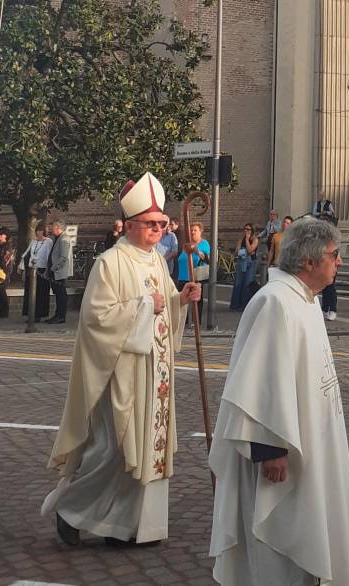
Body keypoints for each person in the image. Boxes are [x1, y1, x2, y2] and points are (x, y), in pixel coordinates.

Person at [43, 172, 201, 547]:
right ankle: (70, 509)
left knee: (148, 452)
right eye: (151, 224)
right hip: (123, 374)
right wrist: (145, 306)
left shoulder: (157, 262)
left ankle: (126, 526)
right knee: (116, 452)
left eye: (162, 224)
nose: (159, 230)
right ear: (130, 226)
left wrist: (181, 299)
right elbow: (95, 318)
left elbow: (163, 310)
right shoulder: (110, 263)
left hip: (155, 374)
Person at [209, 217, 349, 586]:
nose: (339, 262)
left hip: (311, 440)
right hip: (277, 451)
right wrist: (270, 448)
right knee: (278, 546)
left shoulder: (305, 300)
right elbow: (261, 380)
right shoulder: (275, 303)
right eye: (333, 255)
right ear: (308, 262)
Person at [176, 222, 211, 323]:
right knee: (182, 300)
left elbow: (206, 258)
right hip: (182, 276)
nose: (192, 232)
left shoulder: (204, 243)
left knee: (196, 300)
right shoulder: (186, 244)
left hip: (195, 277)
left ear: (200, 231)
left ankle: (196, 322)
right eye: (191, 230)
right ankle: (184, 322)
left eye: (195, 230)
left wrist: (196, 251)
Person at [21, 222, 53, 319]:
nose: (39, 233)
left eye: (41, 231)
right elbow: (27, 253)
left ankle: (39, 314)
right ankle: (30, 313)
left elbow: (48, 256)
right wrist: (22, 267)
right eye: (37, 231)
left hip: (41, 269)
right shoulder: (33, 241)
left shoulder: (48, 242)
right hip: (32, 269)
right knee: (30, 292)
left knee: (40, 293)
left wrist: (47, 270)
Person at [46, 220, 74, 324]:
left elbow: (63, 257)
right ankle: (57, 315)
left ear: (58, 228)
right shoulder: (59, 238)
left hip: (59, 272)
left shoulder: (64, 239)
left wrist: (54, 268)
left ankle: (60, 316)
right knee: (58, 293)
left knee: (61, 294)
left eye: (53, 227)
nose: (51, 229)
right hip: (56, 271)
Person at [229, 223, 259, 311]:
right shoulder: (240, 239)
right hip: (241, 261)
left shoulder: (255, 240)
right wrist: (239, 249)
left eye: (248, 229)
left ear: (252, 231)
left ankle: (245, 305)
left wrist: (246, 239)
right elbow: (236, 252)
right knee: (238, 282)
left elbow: (250, 250)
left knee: (247, 282)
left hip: (251, 262)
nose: (246, 231)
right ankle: (235, 304)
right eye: (245, 229)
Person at [265, 216, 294, 280]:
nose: (285, 224)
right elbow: (271, 251)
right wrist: (268, 264)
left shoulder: (293, 237)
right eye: (284, 222)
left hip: (287, 266)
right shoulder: (276, 235)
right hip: (277, 264)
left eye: (287, 223)